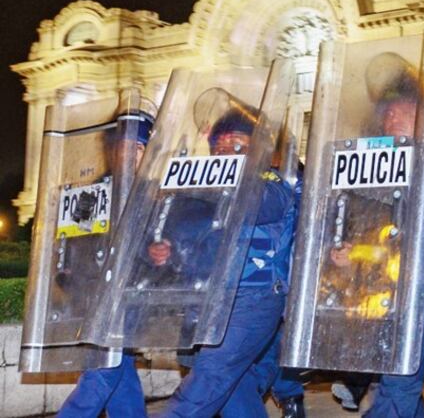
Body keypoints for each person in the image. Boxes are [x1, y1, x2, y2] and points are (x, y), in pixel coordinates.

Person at [157, 102, 301, 416]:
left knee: (205, 384)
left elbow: (260, 206)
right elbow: (181, 237)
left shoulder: (272, 185)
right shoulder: (203, 187)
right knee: (235, 393)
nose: (227, 151)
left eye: (238, 144)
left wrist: (224, 179)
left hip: (253, 297)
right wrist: (166, 251)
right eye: (220, 144)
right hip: (208, 300)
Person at [346, 52, 424, 418]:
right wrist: (352, 251)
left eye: (403, 110)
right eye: (388, 112)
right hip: (387, 283)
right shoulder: (381, 163)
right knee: (397, 374)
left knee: (401, 375)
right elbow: (369, 224)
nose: (391, 117)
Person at [58, 109, 155, 418]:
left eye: (137, 148)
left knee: (117, 371)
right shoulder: (92, 194)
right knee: (107, 371)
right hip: (97, 300)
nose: (129, 155)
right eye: (123, 147)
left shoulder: (154, 193)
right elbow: (70, 251)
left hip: (131, 299)